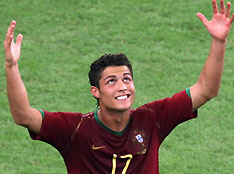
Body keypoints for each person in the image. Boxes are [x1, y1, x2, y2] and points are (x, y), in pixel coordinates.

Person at [3, 0, 234, 173]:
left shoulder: (153, 118)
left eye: (126, 78)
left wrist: (219, 41)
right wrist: (12, 66)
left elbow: (206, 89)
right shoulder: (74, 130)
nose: (122, 86)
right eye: (111, 81)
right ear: (96, 91)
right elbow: (23, 116)